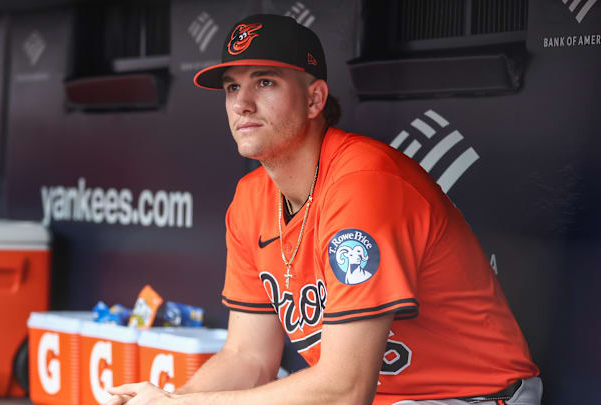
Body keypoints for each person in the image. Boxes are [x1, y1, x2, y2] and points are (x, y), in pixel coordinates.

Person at [106, 14, 542, 405]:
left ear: (315, 100)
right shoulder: (249, 198)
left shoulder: (364, 183)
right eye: (232, 87)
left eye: (265, 82)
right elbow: (248, 357)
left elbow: (343, 390)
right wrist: (168, 401)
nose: (242, 103)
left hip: (472, 396)